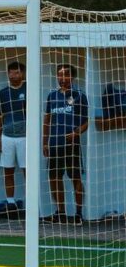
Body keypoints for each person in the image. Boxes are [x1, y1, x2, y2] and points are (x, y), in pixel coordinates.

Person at [43, 64, 88, 225]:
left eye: (66, 75)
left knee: (75, 177)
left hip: (71, 145)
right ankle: (60, 212)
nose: (62, 78)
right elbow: (47, 120)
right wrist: (45, 142)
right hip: (54, 144)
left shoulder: (79, 95)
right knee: (54, 177)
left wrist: (76, 133)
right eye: (60, 75)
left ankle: (78, 213)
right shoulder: (52, 96)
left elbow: (86, 122)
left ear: (73, 77)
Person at [0, 62, 27, 214]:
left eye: (17, 73)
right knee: (8, 170)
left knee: (27, 170)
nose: (14, 76)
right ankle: (10, 202)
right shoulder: (3, 93)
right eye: (11, 73)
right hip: (7, 136)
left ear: (23, 74)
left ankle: (30, 202)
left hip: (25, 137)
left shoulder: (29, 89)